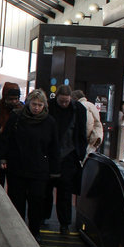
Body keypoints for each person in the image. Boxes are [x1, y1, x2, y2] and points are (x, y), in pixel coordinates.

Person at [0, 89, 60, 240]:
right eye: (34, 104)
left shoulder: (50, 122)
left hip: (39, 170)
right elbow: (6, 138)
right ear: (28, 103)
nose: (36, 108)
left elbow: (54, 147)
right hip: (17, 167)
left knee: (37, 201)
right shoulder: (17, 117)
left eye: (39, 105)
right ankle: (17, 230)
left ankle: (34, 230)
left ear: (44, 105)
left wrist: (54, 170)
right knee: (17, 200)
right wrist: (2, 158)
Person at [48, 85, 89, 235]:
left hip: (69, 156)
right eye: (62, 101)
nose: (64, 104)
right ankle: (53, 219)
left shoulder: (78, 110)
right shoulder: (50, 106)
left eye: (66, 101)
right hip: (54, 154)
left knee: (64, 191)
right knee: (49, 189)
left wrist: (80, 154)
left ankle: (64, 224)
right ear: (57, 98)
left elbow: (82, 133)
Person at [71, 90, 103, 156]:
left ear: (75, 98)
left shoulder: (81, 106)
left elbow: (87, 125)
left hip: (88, 140)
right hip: (97, 135)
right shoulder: (91, 105)